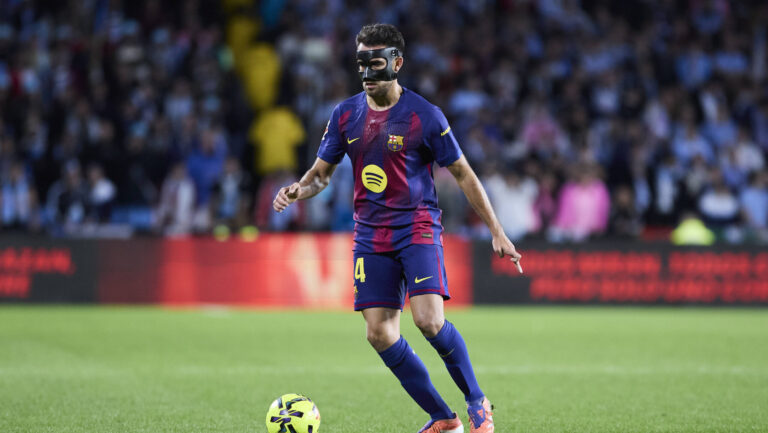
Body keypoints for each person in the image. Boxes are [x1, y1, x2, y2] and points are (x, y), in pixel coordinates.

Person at [273, 24, 522, 433]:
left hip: (416, 227)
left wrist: (496, 230)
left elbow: (463, 173)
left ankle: (477, 401)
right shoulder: (345, 114)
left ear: (397, 62)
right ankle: (443, 418)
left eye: (375, 63)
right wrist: (298, 189)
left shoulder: (425, 116)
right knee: (379, 333)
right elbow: (320, 175)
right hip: (370, 235)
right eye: (361, 64)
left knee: (429, 321)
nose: (366, 73)